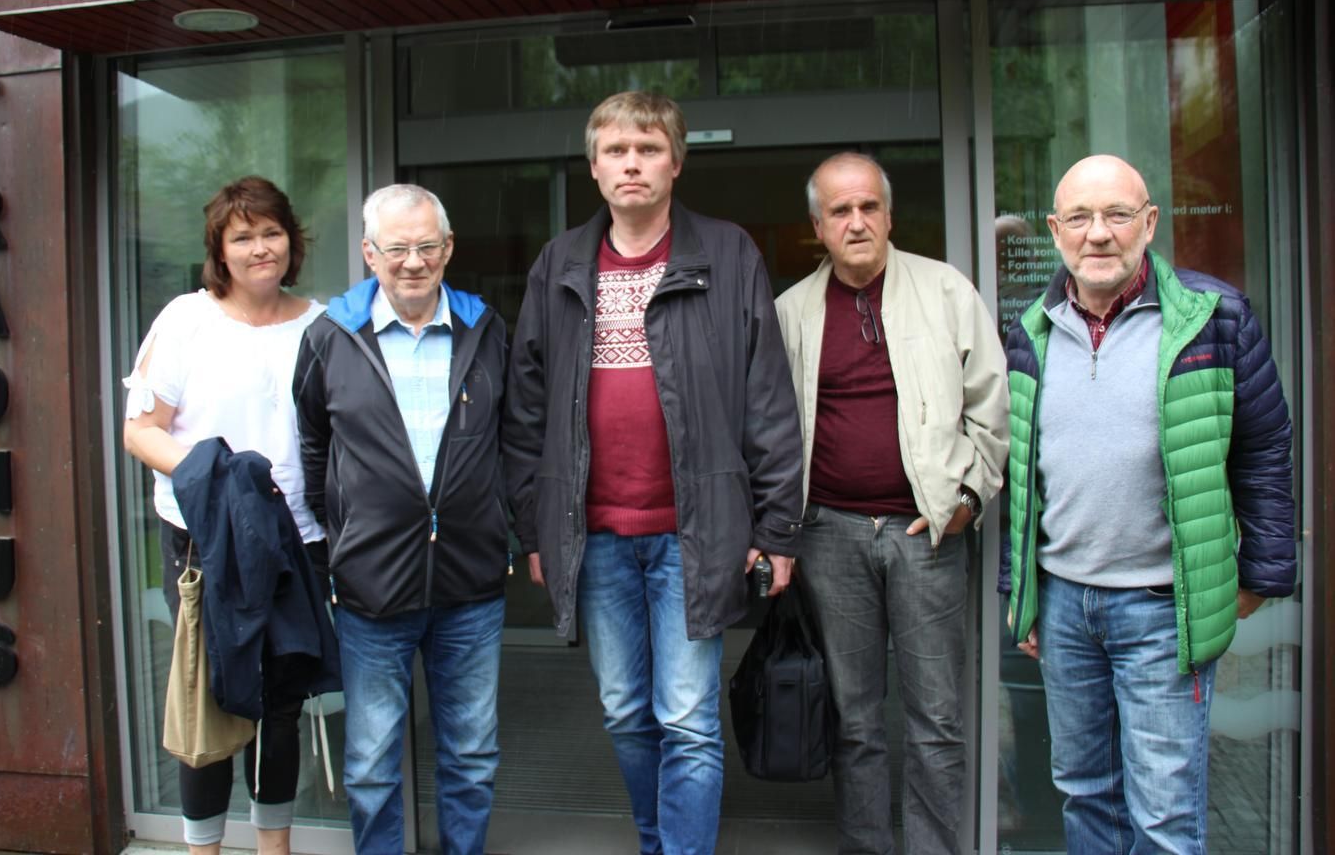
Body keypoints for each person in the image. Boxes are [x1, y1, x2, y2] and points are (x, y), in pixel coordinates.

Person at [502, 91, 804, 855]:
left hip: (695, 535)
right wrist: (536, 524)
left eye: (647, 148)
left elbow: (768, 399)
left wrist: (776, 528)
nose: (630, 162)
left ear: (676, 161)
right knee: (625, 711)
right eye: (615, 150)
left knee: (688, 719)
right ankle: (656, 840)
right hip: (594, 534)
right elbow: (527, 407)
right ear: (594, 167)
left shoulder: (727, 253)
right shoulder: (560, 262)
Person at [1002, 154, 1296, 853]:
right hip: (1068, 607)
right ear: (1055, 231)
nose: (1097, 234)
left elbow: (1264, 449)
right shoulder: (1031, 330)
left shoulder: (1214, 318)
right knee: (1083, 792)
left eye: (1117, 215)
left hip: (1166, 606)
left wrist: (1261, 573)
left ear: (1150, 224)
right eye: (1079, 217)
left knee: (1164, 814)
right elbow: (1024, 481)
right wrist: (1024, 596)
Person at [774, 153, 1009, 855]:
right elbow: (768, 425)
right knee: (854, 717)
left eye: (868, 207)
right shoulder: (790, 312)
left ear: (889, 215)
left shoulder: (945, 291)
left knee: (935, 716)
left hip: (927, 533)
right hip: (830, 535)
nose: (857, 222)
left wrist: (968, 495)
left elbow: (992, 408)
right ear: (817, 226)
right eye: (840, 211)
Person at [293, 184, 509, 855]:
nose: (411, 262)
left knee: (471, 755)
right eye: (395, 249)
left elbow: (516, 437)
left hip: (470, 585)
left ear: (448, 249)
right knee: (370, 766)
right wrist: (351, 532)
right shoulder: (330, 336)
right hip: (371, 589)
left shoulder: (486, 329)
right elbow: (312, 448)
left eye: (425, 247)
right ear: (368, 254)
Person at [122, 175, 331, 855]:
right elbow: (142, 430)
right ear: (220, 248)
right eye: (242, 236)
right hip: (204, 545)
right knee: (208, 703)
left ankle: (276, 850)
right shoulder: (186, 320)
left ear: (291, 241)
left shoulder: (322, 323)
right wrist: (218, 484)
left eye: (270, 232)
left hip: (299, 542)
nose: (259, 248)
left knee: (279, 707)